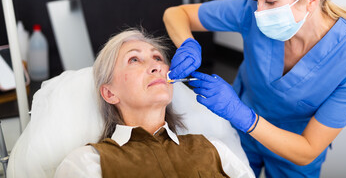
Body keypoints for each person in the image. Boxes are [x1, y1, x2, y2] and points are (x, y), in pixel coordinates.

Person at [163, 0, 346, 177]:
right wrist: (188, 43)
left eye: (271, 1)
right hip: (240, 136)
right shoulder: (251, 8)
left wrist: (241, 114)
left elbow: (308, 149)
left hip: (294, 152)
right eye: (257, 0)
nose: (258, 12)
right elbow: (176, 14)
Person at [54, 28, 255, 178]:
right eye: (134, 59)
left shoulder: (214, 150)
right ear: (109, 93)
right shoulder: (87, 164)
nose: (156, 66)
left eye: (158, 57)